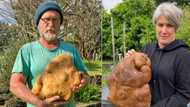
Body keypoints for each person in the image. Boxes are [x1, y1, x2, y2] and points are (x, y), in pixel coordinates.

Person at [9, 1, 87, 107]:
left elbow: (84, 75)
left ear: (60, 24)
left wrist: (82, 81)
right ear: (38, 23)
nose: (51, 24)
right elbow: (15, 84)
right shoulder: (27, 50)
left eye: (55, 20)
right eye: (46, 19)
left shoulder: (70, 49)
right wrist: (40, 103)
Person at [127, 2, 190, 107]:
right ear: (155, 25)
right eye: (160, 25)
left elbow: (184, 95)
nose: (164, 30)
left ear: (176, 28)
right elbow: (136, 79)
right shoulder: (147, 49)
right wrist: (129, 63)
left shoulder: (183, 56)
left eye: (169, 25)